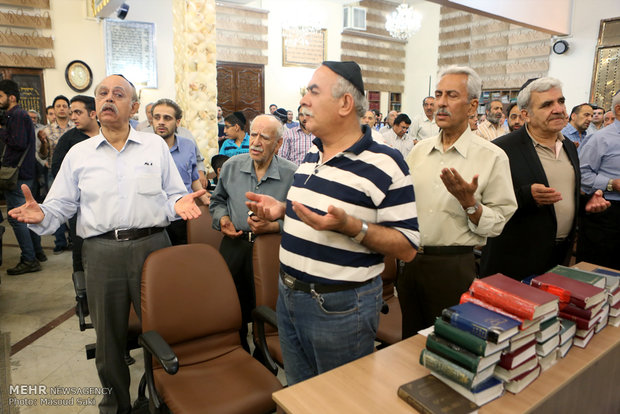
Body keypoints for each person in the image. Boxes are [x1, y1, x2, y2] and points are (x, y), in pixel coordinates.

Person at [9, 74, 206, 414]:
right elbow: (62, 206)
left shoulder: (154, 147)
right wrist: (40, 214)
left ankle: (166, 395)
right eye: (102, 93)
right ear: (96, 105)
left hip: (153, 249)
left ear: (133, 106)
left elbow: (174, 195)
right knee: (109, 340)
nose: (108, 98)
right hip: (101, 253)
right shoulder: (78, 154)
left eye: (118, 93)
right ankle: (116, 403)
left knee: (164, 327)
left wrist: (179, 205)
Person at [246, 61, 419, 385]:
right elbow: (317, 212)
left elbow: (408, 247)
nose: (303, 101)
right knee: (301, 396)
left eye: (313, 91)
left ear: (345, 103)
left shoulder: (385, 163)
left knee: (339, 400)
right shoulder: (313, 153)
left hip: (339, 308)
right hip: (289, 296)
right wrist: (282, 210)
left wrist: (352, 227)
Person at [401, 66, 517, 338]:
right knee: (407, 348)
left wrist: (470, 204)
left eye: (451, 95)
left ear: (472, 106)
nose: (441, 103)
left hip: (452, 267)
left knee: (450, 346)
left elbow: (498, 222)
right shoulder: (419, 152)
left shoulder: (492, 157)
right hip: (410, 264)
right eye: (438, 94)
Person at [480, 78, 609, 280]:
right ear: (526, 115)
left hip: (558, 258)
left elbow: (563, 194)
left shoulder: (568, 146)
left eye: (561, 101)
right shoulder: (501, 149)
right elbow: (482, 202)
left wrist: (586, 202)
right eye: (547, 104)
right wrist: (525, 196)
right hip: (514, 261)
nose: (558, 109)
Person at [210, 114, 296, 351]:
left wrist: (274, 227)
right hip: (235, 245)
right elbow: (217, 202)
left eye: (264, 137)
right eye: (254, 134)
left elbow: (299, 219)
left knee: (268, 304)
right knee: (233, 306)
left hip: (272, 249)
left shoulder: (292, 174)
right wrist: (223, 219)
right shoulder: (231, 166)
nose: (255, 142)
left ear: (278, 144)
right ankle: (238, 350)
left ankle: (264, 353)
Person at [0, 79, 46, 275]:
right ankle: (36, 252)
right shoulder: (14, 115)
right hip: (22, 174)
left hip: (17, 175)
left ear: (11, 97)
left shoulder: (17, 115)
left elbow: (18, 142)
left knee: (17, 218)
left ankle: (29, 259)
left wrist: (1, 132)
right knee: (26, 216)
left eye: (0, 96)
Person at [51, 95, 99, 273]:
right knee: (80, 248)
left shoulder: (108, 135)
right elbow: (58, 171)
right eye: (72, 113)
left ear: (93, 113)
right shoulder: (69, 140)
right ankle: (82, 295)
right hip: (79, 205)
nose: (73, 117)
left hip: (105, 204)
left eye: (78, 112)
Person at [151, 98, 210, 245]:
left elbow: (193, 178)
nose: (161, 122)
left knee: (181, 260)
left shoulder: (188, 146)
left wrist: (204, 198)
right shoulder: (143, 148)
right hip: (155, 219)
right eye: (157, 117)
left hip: (182, 216)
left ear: (177, 122)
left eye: (167, 118)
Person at [576, 92, 620, 269]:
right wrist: (612, 184)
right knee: (600, 270)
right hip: (606, 213)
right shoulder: (599, 138)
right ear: (619, 109)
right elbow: (582, 175)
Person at [41, 95, 74, 254]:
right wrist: (43, 144)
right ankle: (60, 241)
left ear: (69, 109)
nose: (61, 108)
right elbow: (42, 155)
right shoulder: (46, 131)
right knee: (55, 206)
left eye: (64, 105)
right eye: (58, 106)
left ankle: (74, 239)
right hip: (53, 173)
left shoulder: (76, 128)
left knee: (74, 206)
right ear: (53, 110)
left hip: (74, 174)